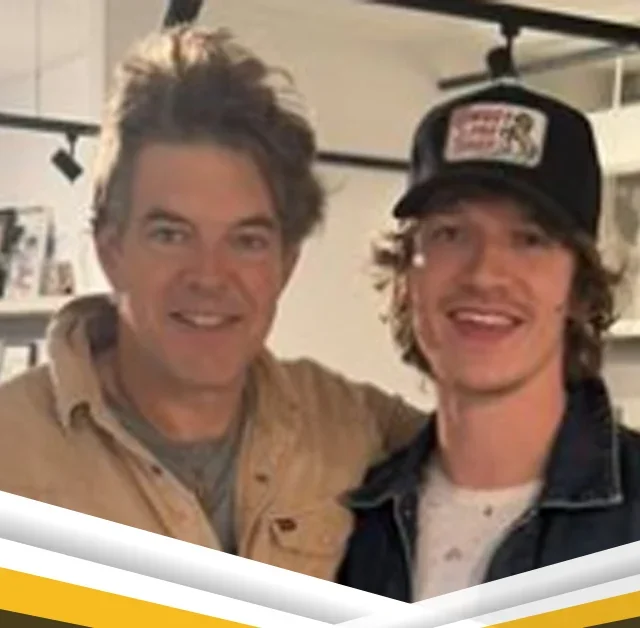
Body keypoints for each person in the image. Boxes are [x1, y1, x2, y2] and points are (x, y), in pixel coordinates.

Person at [0, 25, 426, 581]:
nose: (208, 275)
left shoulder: (351, 424)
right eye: (171, 234)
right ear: (111, 249)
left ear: (286, 264)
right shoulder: (12, 449)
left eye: (247, 241)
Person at [337, 80, 640, 601]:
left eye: (529, 239)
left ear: (579, 287)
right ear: (408, 275)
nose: (484, 274)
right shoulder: (345, 522)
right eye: (451, 233)